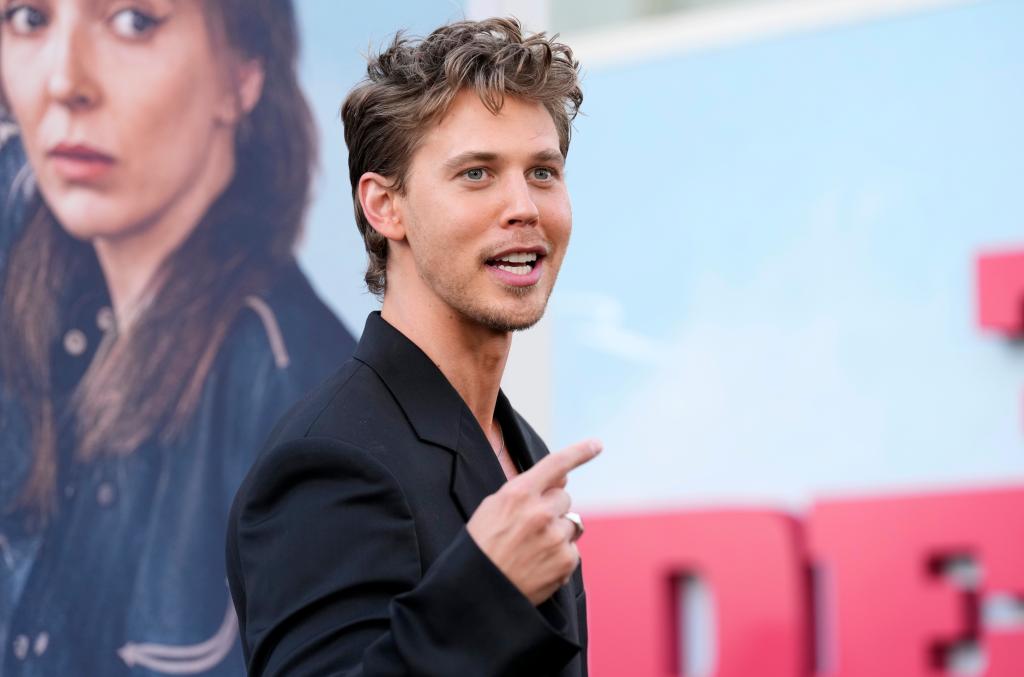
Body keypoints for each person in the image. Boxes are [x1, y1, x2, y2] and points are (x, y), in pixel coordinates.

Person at [227, 17, 598, 677]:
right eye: (477, 173)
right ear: (384, 207)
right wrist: (488, 590)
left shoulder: (524, 449)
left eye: (543, 172)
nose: (524, 206)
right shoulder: (329, 457)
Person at [0, 1, 355, 674]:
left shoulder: (296, 389)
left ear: (242, 74)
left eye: (133, 21)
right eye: (27, 19)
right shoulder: (38, 285)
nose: (63, 81)